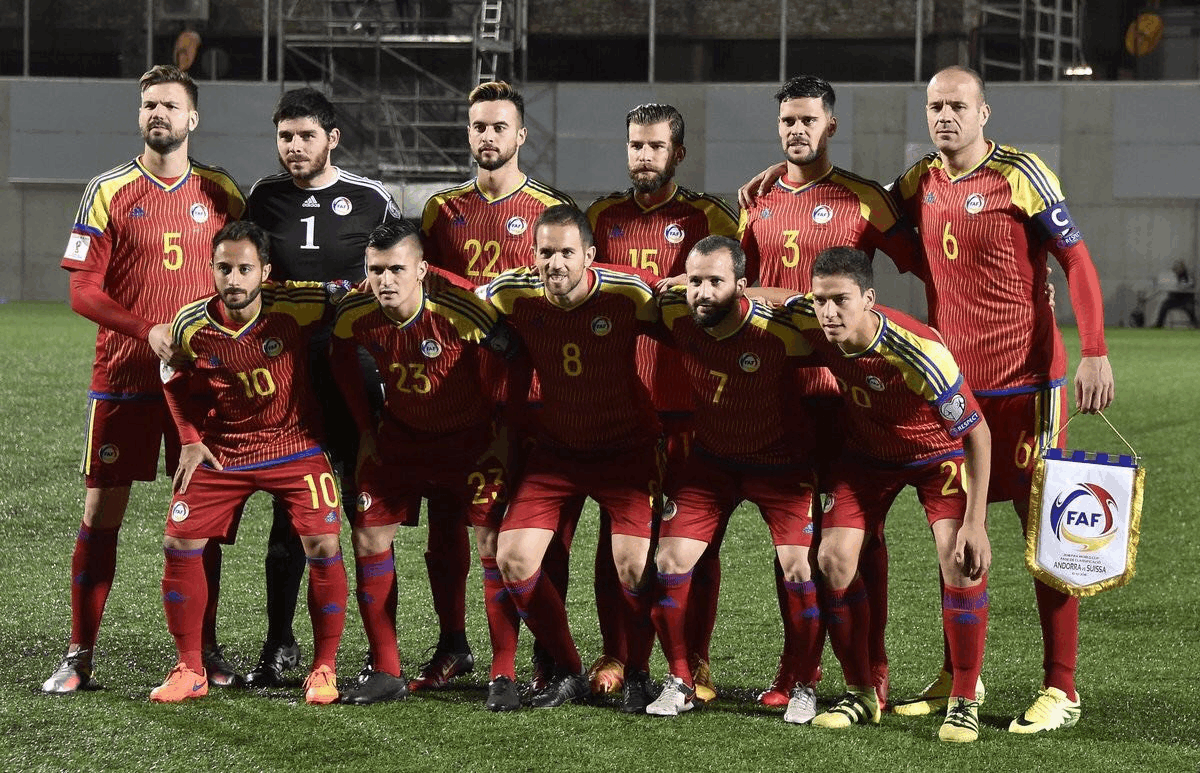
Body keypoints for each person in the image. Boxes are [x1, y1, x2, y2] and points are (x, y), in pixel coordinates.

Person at [890, 65, 1114, 734]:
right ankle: (959, 672)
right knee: (954, 531)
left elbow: (1077, 260)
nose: (945, 116)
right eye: (935, 106)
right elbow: (863, 212)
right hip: (954, 393)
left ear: (983, 113)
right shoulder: (918, 181)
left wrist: (1095, 350)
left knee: (1048, 536)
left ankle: (1061, 687)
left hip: (1028, 391)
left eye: (958, 105)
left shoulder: (1022, 174)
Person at [45, 64, 244, 694]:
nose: (158, 114)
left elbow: (246, 273)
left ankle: (204, 652)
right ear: (140, 115)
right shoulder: (107, 190)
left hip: (201, 386)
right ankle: (79, 653)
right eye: (149, 105)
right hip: (124, 378)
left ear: (193, 119)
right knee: (101, 514)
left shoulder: (221, 191)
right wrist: (146, 329)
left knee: (200, 521)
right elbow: (82, 290)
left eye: (170, 105)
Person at [738, 74, 921, 709]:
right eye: (787, 120)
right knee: (793, 537)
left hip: (847, 393)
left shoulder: (864, 199)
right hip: (779, 391)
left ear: (830, 126)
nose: (796, 130)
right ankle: (799, 669)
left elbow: (928, 263)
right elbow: (740, 286)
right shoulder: (757, 200)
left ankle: (873, 665)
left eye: (808, 120)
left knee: (860, 532)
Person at [794, 246, 992, 742]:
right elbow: (770, 299)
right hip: (866, 458)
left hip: (936, 456)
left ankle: (964, 699)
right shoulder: (814, 322)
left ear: (868, 299)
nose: (828, 312)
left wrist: (976, 523)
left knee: (958, 558)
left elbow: (977, 433)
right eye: (820, 300)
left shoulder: (918, 351)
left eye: (840, 300)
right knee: (832, 558)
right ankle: (862, 692)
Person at [416, 81, 575, 692]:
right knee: (447, 523)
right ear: (468, 134)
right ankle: (453, 643)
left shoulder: (549, 206)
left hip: (531, 390)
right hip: (457, 390)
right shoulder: (441, 210)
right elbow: (425, 287)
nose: (488, 136)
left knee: (543, 527)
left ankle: (544, 653)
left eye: (499, 126)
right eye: (479, 126)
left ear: (521, 135)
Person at [329, 220, 527, 710]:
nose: (385, 280)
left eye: (397, 269)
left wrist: (505, 430)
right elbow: (339, 356)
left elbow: (518, 359)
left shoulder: (461, 304)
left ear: (421, 269)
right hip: (400, 438)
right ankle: (386, 670)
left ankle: (504, 672)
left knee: (490, 544)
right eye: (376, 269)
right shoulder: (355, 308)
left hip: (471, 441)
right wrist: (366, 429)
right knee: (367, 536)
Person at [243, 87, 400, 688]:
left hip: (356, 371)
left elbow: (399, 274)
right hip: (286, 378)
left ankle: (378, 652)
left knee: (367, 511)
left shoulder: (371, 198)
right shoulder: (263, 197)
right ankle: (279, 642)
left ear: (332, 138)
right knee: (290, 514)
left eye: (306, 135)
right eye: (285, 136)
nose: (294, 147)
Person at [152, 221, 347, 705]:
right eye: (224, 268)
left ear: (265, 271)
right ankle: (190, 669)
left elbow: (358, 293)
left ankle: (324, 668)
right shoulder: (191, 323)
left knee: (324, 542)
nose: (233, 279)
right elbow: (171, 375)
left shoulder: (298, 303)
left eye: (244, 269)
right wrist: (189, 439)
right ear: (211, 269)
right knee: (179, 540)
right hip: (224, 448)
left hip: (294, 445)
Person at [583, 103, 738, 701]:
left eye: (655, 146)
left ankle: (696, 658)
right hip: (620, 406)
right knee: (617, 535)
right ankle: (618, 653)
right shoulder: (601, 217)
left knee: (694, 540)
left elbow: (732, 296)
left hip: (690, 406)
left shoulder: (709, 217)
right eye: (635, 146)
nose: (644, 156)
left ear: (678, 153)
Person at [483, 205, 663, 711]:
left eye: (567, 252)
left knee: (633, 565)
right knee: (513, 558)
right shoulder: (512, 293)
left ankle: (638, 673)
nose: (555, 263)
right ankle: (567, 669)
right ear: (532, 255)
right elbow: (459, 297)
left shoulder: (629, 293)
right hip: (557, 454)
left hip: (627, 452)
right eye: (546, 252)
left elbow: (687, 313)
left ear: (590, 254)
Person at [645, 236, 822, 723]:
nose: (702, 293)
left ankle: (804, 683)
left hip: (782, 467)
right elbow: (636, 287)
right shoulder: (677, 313)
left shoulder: (779, 328)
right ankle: (681, 679)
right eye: (695, 281)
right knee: (668, 560)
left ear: (741, 285)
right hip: (712, 464)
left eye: (715, 282)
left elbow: (830, 322)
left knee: (800, 569)